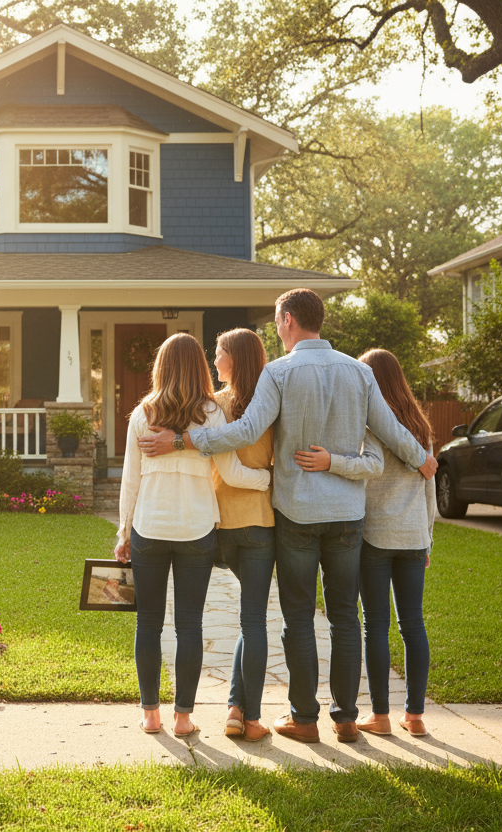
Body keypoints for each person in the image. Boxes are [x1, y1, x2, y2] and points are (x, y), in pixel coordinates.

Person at [139, 289, 436, 745]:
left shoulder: (279, 373)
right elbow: (390, 428)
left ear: (290, 320)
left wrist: (182, 442)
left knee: (298, 618)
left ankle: (305, 718)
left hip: (297, 514)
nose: (277, 331)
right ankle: (347, 719)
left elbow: (244, 431)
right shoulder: (360, 373)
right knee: (344, 617)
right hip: (347, 515)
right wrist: (422, 458)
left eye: (278, 322)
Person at [116, 333, 271, 738]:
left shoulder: (141, 414)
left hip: (148, 527)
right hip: (197, 530)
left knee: (147, 624)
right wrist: (270, 478)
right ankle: (183, 717)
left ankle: (151, 715)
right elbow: (235, 473)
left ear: (161, 368)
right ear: (199, 368)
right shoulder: (211, 414)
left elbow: (129, 482)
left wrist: (122, 533)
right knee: (189, 624)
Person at [294, 348, 435, 738]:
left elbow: (365, 469)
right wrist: (427, 540)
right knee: (413, 624)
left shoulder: (371, 426)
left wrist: (332, 462)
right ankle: (416, 715)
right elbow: (430, 489)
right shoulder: (420, 428)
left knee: (375, 625)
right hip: (412, 537)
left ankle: (381, 714)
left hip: (373, 537)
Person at [210, 328, 276, 742]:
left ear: (233, 359)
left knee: (248, 624)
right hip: (259, 523)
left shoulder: (215, 406)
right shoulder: (271, 403)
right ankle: (250, 718)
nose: (214, 359)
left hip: (221, 523)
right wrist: (268, 477)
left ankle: (236, 708)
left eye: (218, 353)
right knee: (254, 621)